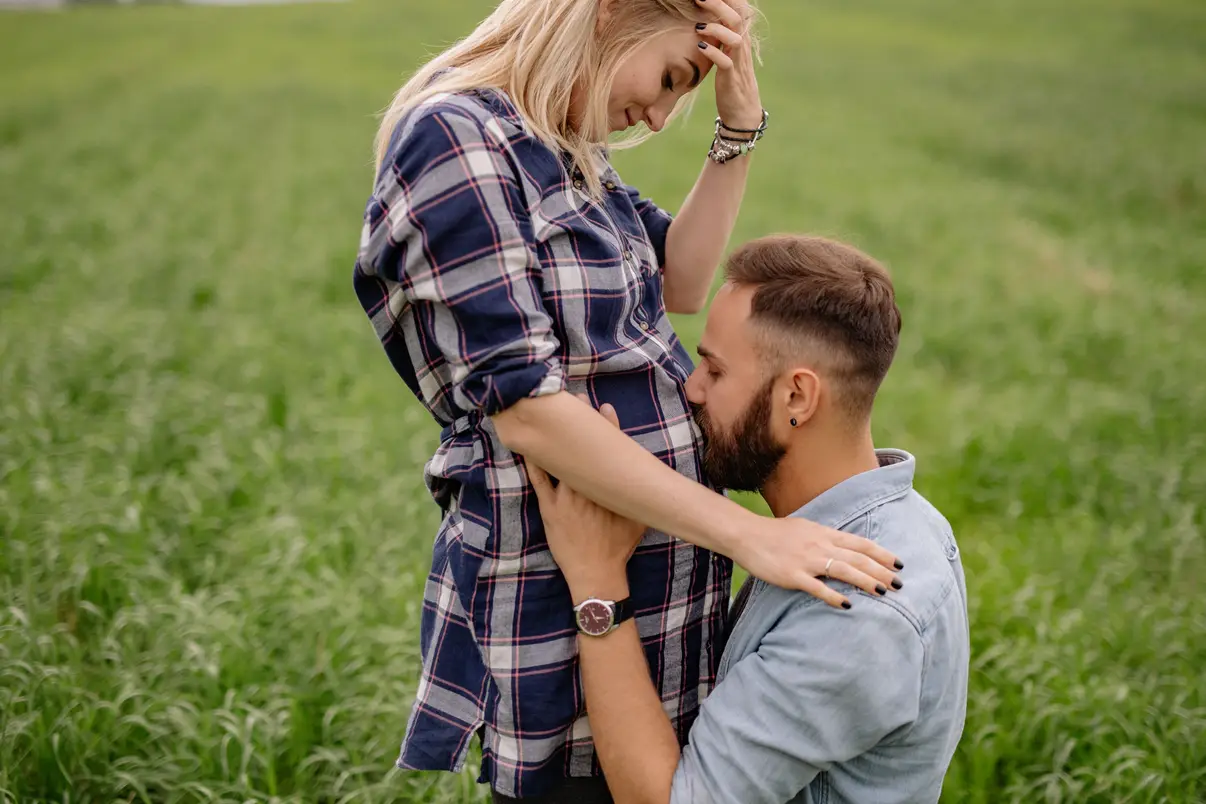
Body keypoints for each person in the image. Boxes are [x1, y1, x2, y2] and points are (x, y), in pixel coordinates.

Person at [352, 0, 903, 799]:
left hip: (662, 590)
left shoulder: (564, 148)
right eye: (673, 76)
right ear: (612, 12)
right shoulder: (456, 139)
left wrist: (737, 132)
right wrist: (749, 535)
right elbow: (525, 405)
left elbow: (680, 281)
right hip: (560, 588)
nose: (659, 112)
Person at [528, 235, 971, 804]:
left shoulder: (855, 612)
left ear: (797, 398)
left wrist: (598, 585)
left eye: (714, 370)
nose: (691, 388)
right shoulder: (903, 519)